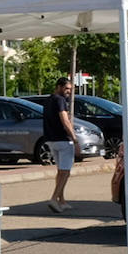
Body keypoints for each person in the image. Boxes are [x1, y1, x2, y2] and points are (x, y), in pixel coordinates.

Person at [43, 77, 78, 212]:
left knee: (60, 171)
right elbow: (65, 120)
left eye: (70, 89)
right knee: (65, 172)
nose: (69, 91)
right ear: (59, 87)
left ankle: (62, 201)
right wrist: (74, 139)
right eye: (66, 88)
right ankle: (54, 198)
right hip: (63, 140)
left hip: (51, 140)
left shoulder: (48, 100)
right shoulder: (60, 100)